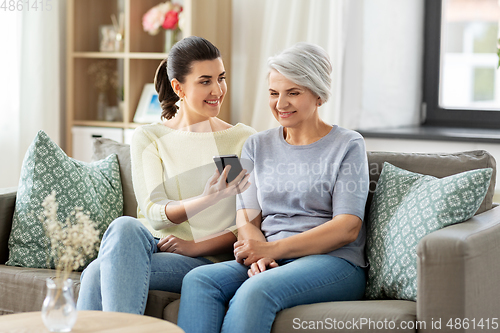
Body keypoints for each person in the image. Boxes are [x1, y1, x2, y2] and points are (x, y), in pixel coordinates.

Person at [176, 42, 370, 333]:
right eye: (273, 93)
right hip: (272, 256)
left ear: (318, 94)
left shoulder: (348, 145)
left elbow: (347, 228)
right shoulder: (256, 146)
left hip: (334, 262)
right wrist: (261, 252)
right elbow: (247, 217)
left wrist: (271, 249)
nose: (280, 104)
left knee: (257, 290)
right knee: (200, 280)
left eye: (293, 93)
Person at [76, 36, 256, 314]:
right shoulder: (150, 137)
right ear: (178, 87)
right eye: (205, 81)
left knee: (96, 272)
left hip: (207, 259)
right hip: (151, 245)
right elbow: (152, 212)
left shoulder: (242, 139)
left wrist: (194, 245)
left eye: (221, 78)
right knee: (125, 226)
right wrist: (206, 199)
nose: (218, 90)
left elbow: (252, 221)